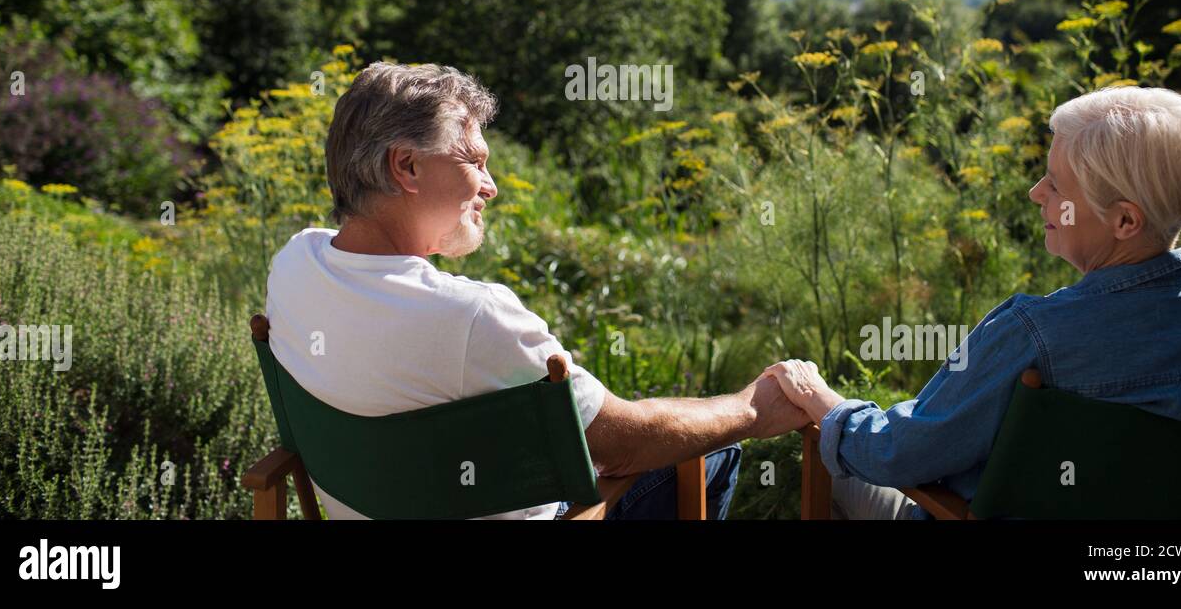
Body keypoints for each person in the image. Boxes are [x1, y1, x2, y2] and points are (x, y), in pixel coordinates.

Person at [265, 62, 808, 519]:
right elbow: (624, 446)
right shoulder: (476, 317)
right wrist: (752, 408)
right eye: (474, 162)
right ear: (406, 166)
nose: (491, 186)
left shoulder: (294, 262)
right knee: (715, 444)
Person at [766, 85, 1181, 519]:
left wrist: (824, 403)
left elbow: (898, 453)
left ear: (1124, 222)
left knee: (835, 461)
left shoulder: (1033, 334)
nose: (1036, 193)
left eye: (1056, 184)